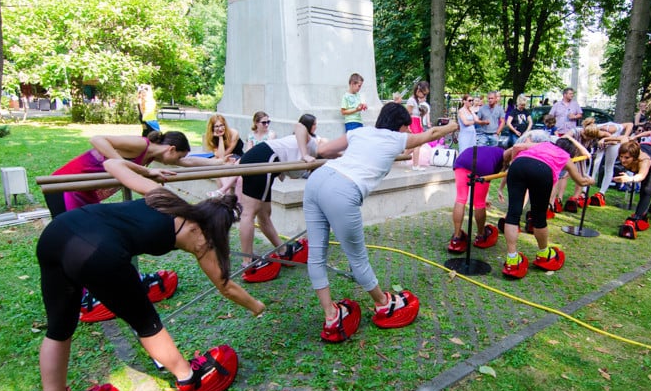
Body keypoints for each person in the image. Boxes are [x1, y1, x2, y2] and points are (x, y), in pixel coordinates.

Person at [37, 161, 265, 391]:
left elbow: (113, 164)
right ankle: (189, 379)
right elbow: (226, 287)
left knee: (59, 329)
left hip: (58, 232)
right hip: (98, 251)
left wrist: (149, 173)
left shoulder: (165, 197)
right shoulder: (203, 238)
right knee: (146, 322)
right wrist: (256, 305)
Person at [302, 103, 458, 342]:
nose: (408, 133)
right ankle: (383, 303)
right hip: (343, 191)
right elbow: (433, 134)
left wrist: (351, 157)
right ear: (401, 126)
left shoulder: (359, 132)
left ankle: (331, 314)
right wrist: (454, 125)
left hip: (318, 179)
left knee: (316, 255)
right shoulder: (396, 139)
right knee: (357, 258)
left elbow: (323, 151)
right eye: (407, 128)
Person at [45, 131, 220, 218]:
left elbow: (188, 162)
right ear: (171, 149)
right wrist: (123, 165)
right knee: (71, 237)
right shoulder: (141, 145)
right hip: (63, 186)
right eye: (179, 156)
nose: (180, 160)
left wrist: (218, 162)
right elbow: (97, 139)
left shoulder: (151, 157)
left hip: (82, 191)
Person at [238, 114, 321, 282]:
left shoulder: (301, 142)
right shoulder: (309, 142)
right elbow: (299, 126)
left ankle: (282, 251)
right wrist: (305, 155)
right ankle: (247, 261)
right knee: (249, 213)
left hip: (261, 159)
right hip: (264, 160)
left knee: (264, 214)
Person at [501, 133, 594, 277]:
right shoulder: (565, 156)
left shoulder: (544, 144)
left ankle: (512, 259)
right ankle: (544, 253)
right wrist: (591, 181)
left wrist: (513, 162)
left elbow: (518, 146)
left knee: (513, 213)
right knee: (539, 217)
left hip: (518, 165)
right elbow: (581, 181)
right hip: (542, 170)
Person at [447, 145, 507, 253]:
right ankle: (481, 235)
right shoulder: (503, 155)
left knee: (460, 198)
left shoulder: (489, 150)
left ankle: (456, 238)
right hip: (483, 166)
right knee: (479, 203)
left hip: (463, 159)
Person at [614, 139, 651, 237]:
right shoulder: (627, 151)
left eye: (626, 157)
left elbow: (641, 176)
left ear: (634, 158)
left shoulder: (645, 160)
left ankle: (639, 216)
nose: (622, 160)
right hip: (646, 148)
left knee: (646, 188)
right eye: (621, 157)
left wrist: (630, 178)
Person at [582, 120, 633, 200]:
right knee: (594, 164)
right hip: (601, 141)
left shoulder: (614, 128)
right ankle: (584, 191)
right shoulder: (595, 129)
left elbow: (630, 124)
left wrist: (625, 136)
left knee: (609, 166)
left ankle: (602, 193)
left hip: (615, 141)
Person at [406, 81, 430, 170]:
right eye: (423, 94)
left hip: (417, 122)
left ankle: (400, 157)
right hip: (413, 123)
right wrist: (408, 126)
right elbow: (407, 113)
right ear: (418, 91)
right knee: (417, 144)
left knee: (416, 144)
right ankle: (415, 165)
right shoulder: (411, 100)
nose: (424, 96)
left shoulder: (416, 101)